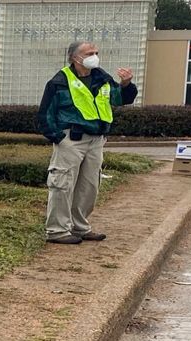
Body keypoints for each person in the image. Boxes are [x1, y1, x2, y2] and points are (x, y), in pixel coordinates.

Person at [36, 41, 138, 244]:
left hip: (96, 140)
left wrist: (126, 84)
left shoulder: (103, 78)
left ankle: (79, 226)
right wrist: (58, 138)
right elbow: (45, 114)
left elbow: (120, 99)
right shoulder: (59, 81)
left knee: (89, 186)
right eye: (90, 53)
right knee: (62, 184)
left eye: (96, 52)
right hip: (71, 139)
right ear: (75, 57)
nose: (95, 56)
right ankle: (57, 230)